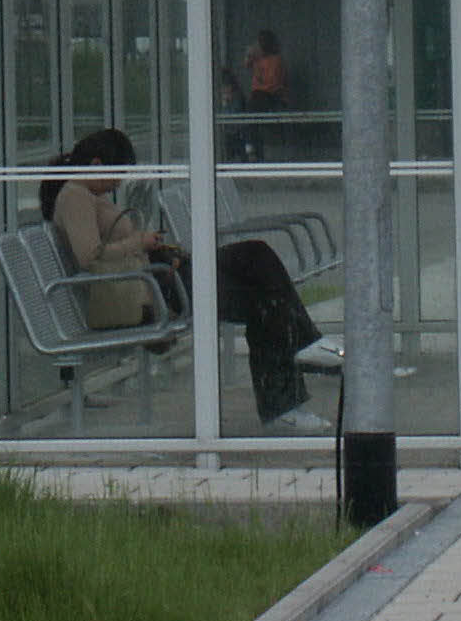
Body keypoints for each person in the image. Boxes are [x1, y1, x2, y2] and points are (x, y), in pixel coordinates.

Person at [40, 127, 336, 433]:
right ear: (97, 164)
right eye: (118, 173)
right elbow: (90, 256)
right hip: (149, 294)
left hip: (157, 280)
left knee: (257, 260)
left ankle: (292, 385)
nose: (119, 182)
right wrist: (140, 243)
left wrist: (159, 250)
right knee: (262, 296)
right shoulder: (75, 196)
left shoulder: (87, 194)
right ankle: (295, 375)